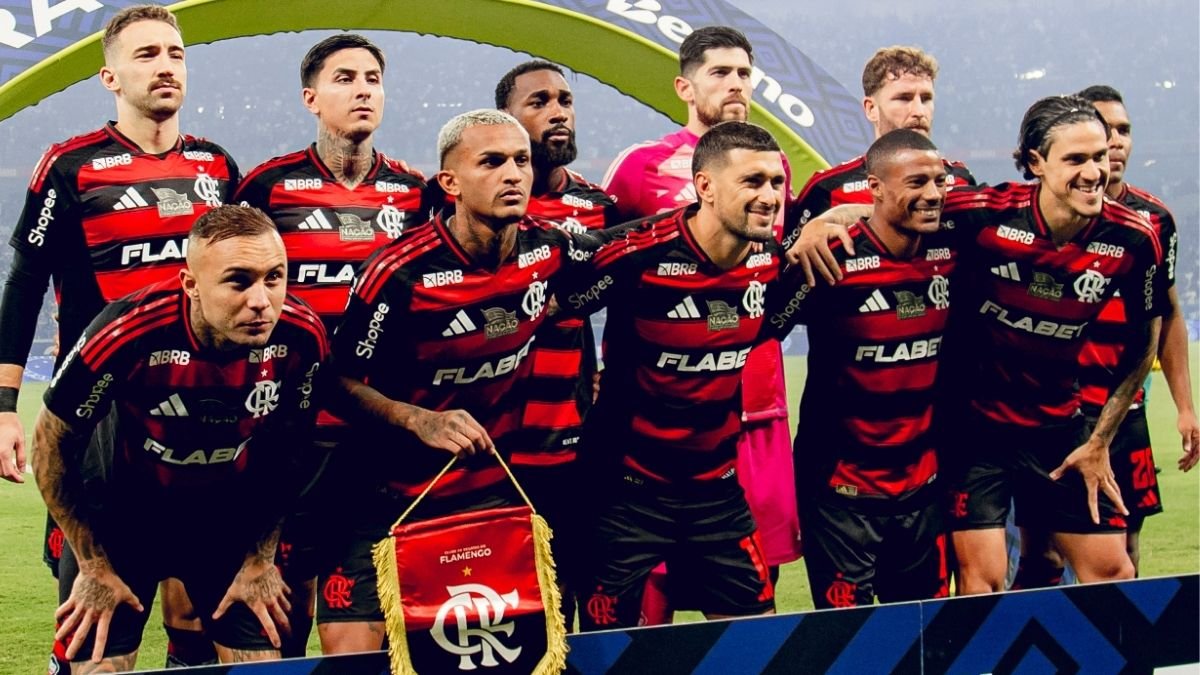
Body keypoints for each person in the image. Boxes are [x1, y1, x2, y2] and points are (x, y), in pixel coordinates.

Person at [793, 95, 1168, 594]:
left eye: (1099, 156)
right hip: (976, 434)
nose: (1094, 172)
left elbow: (1145, 344)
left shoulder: (1135, 238)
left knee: (1114, 573)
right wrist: (826, 221)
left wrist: (1099, 441)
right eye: (1076, 160)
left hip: (1058, 427)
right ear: (1036, 163)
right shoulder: (983, 215)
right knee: (983, 583)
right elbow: (905, 205)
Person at [0, 5, 238, 669]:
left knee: (201, 610)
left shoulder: (216, 167)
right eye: (146, 55)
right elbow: (24, 286)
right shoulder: (72, 166)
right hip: (99, 423)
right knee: (95, 605)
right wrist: (2, 411)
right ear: (110, 76)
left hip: (204, 416)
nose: (165, 66)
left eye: (175, 53)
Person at [321, 109, 599, 653]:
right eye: (491, 162)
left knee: (508, 652)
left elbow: (639, 247)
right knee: (350, 654)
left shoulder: (551, 250)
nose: (513, 173)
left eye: (521, 160)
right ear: (449, 182)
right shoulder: (398, 272)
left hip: (489, 495)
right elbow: (337, 382)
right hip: (385, 495)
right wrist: (416, 418)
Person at [32, 205, 329, 670]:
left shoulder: (302, 335)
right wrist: (91, 564)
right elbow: (50, 444)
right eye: (239, 281)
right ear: (191, 284)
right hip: (120, 521)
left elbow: (292, 452)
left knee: (263, 665)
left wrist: (260, 557)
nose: (262, 300)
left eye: (275, 277)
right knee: (95, 664)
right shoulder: (125, 330)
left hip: (225, 524)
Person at [234, 33, 429, 656]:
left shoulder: (415, 192)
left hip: (375, 440)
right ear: (311, 98)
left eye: (372, 77)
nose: (363, 89)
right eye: (345, 78)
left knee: (361, 635)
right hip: (289, 439)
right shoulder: (268, 188)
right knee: (276, 623)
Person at [601, 24, 799, 625]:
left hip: (751, 395)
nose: (737, 84)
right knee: (647, 581)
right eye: (721, 72)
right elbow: (603, 259)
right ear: (685, 86)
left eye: (745, 73)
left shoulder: (773, 161)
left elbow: (779, 267)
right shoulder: (640, 166)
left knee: (756, 567)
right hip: (653, 404)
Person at [573, 120, 784, 630]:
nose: (770, 196)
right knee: (611, 654)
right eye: (752, 182)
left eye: (776, 182)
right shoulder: (633, 254)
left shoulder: (774, 265)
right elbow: (552, 309)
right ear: (705, 187)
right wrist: (585, 382)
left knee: (759, 645)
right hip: (625, 493)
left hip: (717, 491)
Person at [1012, 85, 1198, 588]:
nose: (1115, 143)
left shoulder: (1154, 221)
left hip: (1124, 407)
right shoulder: (1033, 216)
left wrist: (1184, 405)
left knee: (1126, 549)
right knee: (1042, 552)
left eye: (1124, 131)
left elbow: (1168, 315)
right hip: (1059, 409)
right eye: (1103, 131)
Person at [766, 129, 953, 608]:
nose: (931, 194)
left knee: (922, 640)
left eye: (939, 181)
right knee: (848, 643)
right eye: (915, 183)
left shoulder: (953, 250)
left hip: (923, 488)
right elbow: (761, 330)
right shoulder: (831, 258)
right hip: (840, 492)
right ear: (874, 188)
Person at [495, 58, 620, 624]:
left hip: (572, 442)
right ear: (506, 118)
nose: (557, 113)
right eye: (538, 102)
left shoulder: (599, 209)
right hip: (490, 449)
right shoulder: (462, 204)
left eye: (565, 101)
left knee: (574, 606)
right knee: (504, 609)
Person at [785, 46, 974, 248]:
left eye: (926, 99)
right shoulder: (827, 189)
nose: (919, 111)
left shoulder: (961, 178)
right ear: (871, 109)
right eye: (904, 98)